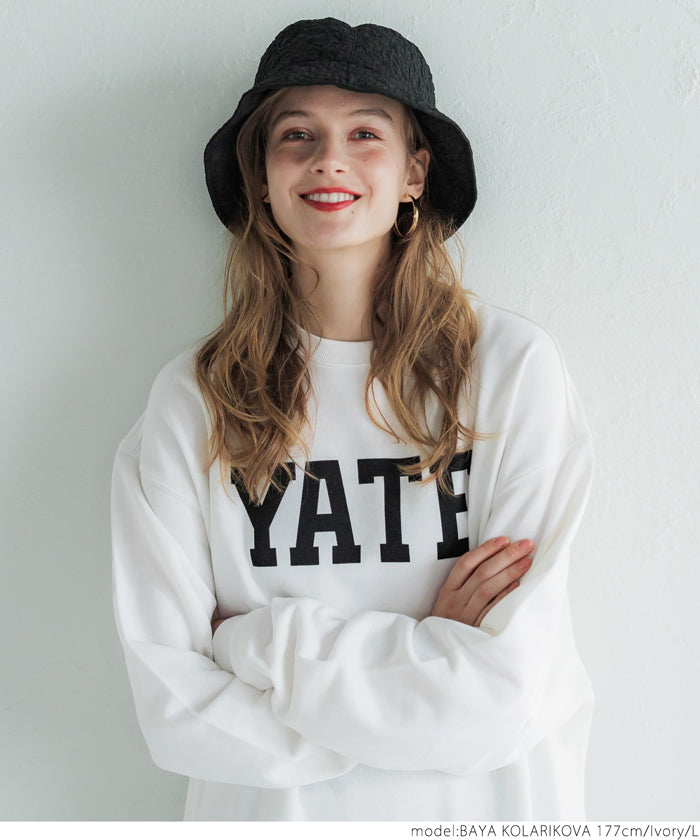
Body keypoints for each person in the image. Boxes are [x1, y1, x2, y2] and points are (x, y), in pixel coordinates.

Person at [110, 17, 595, 821]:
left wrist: (252, 644)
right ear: (261, 177)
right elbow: (175, 712)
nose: (328, 159)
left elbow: (505, 698)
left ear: (414, 172)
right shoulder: (194, 400)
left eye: (365, 133)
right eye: (296, 135)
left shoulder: (510, 372)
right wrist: (422, 670)